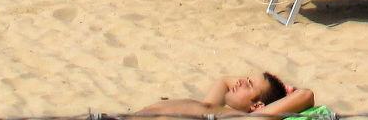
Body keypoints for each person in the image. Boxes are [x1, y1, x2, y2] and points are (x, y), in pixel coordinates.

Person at [131, 73, 312, 117]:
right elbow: (224, 81)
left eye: (248, 85)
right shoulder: (212, 109)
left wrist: (287, 92)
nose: (240, 81)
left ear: (257, 106)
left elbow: (306, 95)